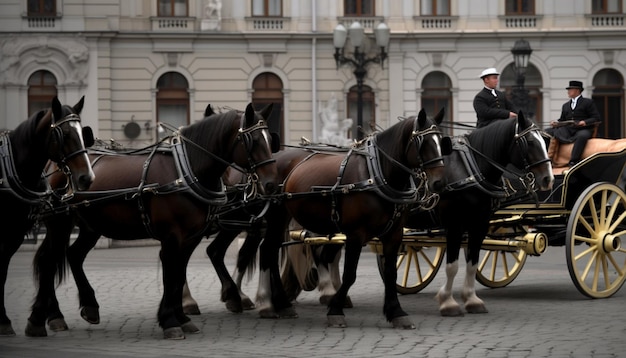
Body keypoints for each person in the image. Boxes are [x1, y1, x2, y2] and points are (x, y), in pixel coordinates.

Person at [545, 80, 601, 166]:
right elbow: (562, 120)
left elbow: (596, 117)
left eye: (570, 89)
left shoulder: (588, 102)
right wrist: (556, 123)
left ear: (577, 90)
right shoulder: (566, 105)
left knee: (582, 136)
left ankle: (573, 160)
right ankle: (547, 158)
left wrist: (585, 122)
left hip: (583, 129)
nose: (568, 92)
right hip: (568, 129)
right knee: (547, 131)